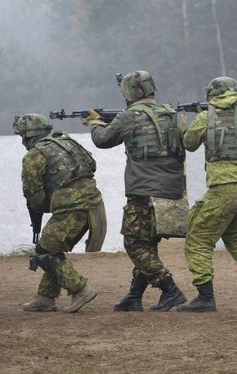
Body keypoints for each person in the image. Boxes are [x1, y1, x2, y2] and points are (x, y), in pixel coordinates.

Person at [84, 70, 187, 311]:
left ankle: (170, 289)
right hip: (173, 191)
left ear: (129, 92)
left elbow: (103, 140)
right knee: (147, 243)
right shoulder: (170, 113)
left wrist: (94, 122)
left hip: (144, 192)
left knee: (135, 244)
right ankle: (134, 296)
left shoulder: (130, 116)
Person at [178, 76, 237, 312]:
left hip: (223, 189)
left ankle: (205, 297)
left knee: (198, 239)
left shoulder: (206, 116)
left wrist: (183, 128)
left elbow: (189, 143)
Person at [14, 113, 104, 313]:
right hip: (94, 204)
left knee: (44, 251)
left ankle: (80, 289)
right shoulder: (67, 141)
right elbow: (92, 166)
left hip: (71, 206)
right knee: (51, 248)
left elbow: (32, 193)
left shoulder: (34, 155)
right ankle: (46, 297)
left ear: (28, 136)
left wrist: (42, 208)